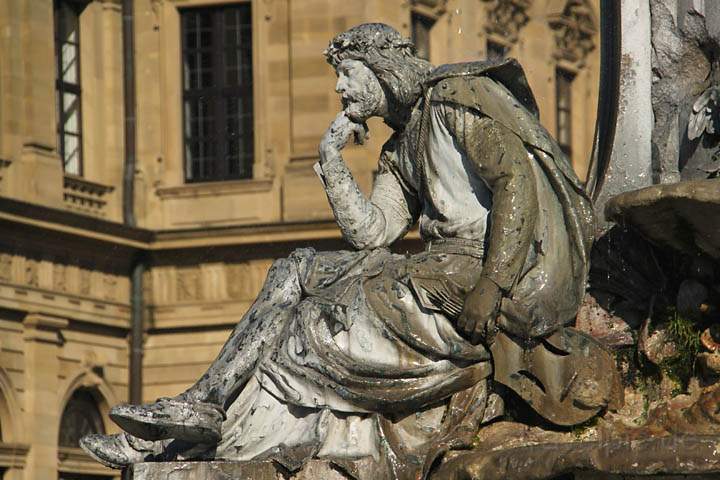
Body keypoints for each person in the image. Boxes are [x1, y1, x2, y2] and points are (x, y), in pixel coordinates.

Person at [81, 23, 603, 478]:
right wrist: (330, 157)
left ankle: (182, 446)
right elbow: (373, 233)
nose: (338, 87)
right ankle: (202, 405)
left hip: (479, 272)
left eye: (347, 74)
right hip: (434, 269)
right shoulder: (402, 145)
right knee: (297, 267)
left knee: (309, 325)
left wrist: (493, 283)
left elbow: (516, 181)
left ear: (379, 70)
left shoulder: (453, 101)